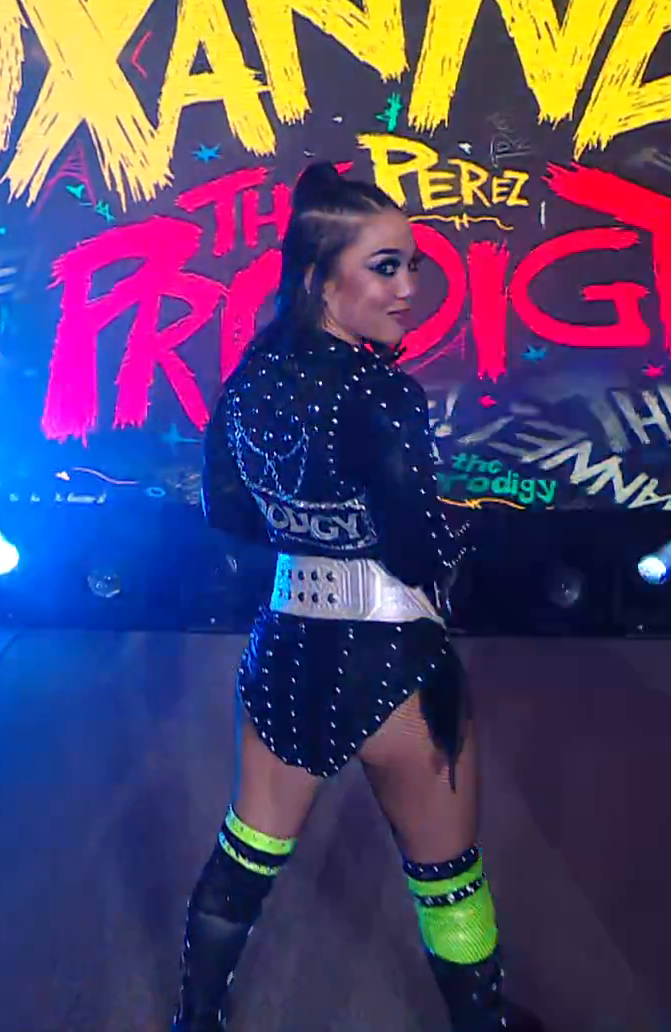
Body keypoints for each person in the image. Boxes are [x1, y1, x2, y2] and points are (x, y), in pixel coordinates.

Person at [173, 163, 533, 1031]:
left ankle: (194, 1020)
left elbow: (227, 511)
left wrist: (310, 529)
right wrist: (472, 536)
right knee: (447, 876)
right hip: (395, 662)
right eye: (385, 267)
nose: (409, 288)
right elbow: (415, 547)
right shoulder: (380, 392)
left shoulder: (248, 381)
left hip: (286, 655)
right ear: (320, 277)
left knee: (245, 855)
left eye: (412, 266)